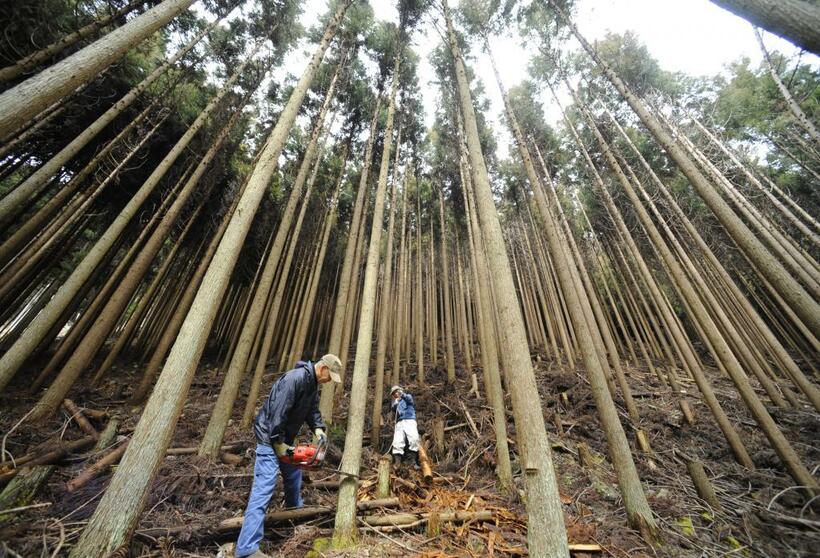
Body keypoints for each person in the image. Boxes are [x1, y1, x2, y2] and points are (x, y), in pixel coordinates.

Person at [235, 354, 342, 558]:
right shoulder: (295, 379)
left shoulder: (312, 385)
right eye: (330, 376)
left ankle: (295, 515)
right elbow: (278, 413)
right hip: (269, 438)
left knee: (293, 476)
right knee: (264, 488)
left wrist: (318, 429)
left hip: (284, 438)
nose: (330, 381)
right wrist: (279, 444)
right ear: (323, 368)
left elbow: (312, 411)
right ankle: (246, 548)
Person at [390, 385, 420, 467]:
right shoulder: (396, 403)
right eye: (393, 393)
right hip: (399, 423)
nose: (395, 394)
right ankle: (397, 462)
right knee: (397, 441)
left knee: (414, 438)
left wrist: (402, 395)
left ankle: (412, 460)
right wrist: (396, 401)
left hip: (409, 419)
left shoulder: (407, 397)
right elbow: (393, 408)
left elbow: (409, 399)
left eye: (396, 392)